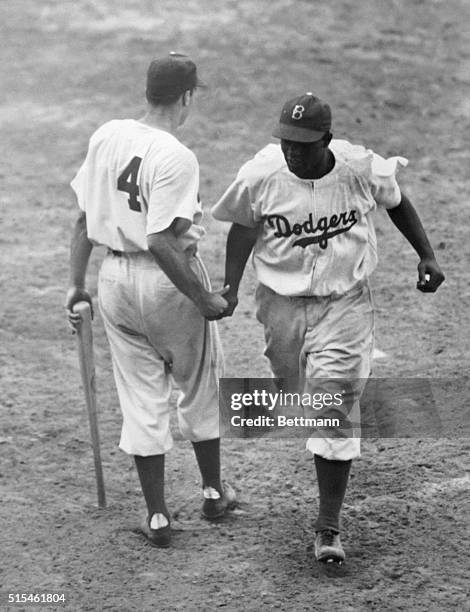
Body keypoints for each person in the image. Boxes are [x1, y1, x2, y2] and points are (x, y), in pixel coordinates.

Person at [211, 93, 444, 563]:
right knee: (296, 390)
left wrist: (427, 254)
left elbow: (396, 201)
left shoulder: (360, 168)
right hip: (280, 303)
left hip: (345, 303)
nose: (292, 151)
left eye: (302, 143)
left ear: (327, 140)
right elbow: (242, 227)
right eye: (286, 142)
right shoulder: (261, 174)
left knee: (333, 406)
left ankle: (328, 527)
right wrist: (231, 288)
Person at [64, 53, 235, 549]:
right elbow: (161, 240)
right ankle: (212, 492)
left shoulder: (107, 134)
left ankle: (157, 517)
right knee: (198, 383)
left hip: (114, 278)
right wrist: (202, 296)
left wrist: (76, 285)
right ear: (186, 96)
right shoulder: (177, 155)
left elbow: (82, 219)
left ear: (147, 91)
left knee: (140, 396)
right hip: (168, 281)